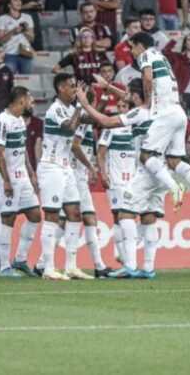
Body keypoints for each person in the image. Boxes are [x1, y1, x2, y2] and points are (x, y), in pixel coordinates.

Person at [76, 79, 164, 279]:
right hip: (160, 169)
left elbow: (107, 122)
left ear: (135, 96)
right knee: (149, 217)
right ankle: (148, 268)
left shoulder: (139, 113)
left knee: (124, 215)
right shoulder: (160, 109)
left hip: (142, 171)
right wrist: (107, 87)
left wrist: (86, 104)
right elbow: (128, 97)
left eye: (130, 94)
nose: (126, 96)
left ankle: (129, 264)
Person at [129, 32, 190, 215]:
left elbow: (148, 77)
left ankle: (175, 189)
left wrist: (147, 103)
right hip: (178, 112)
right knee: (174, 160)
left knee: (145, 155)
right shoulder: (161, 57)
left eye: (132, 47)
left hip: (164, 113)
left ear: (140, 45)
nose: (132, 52)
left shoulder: (146, 55)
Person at [36, 73, 92, 280]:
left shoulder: (70, 108)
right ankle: (48, 268)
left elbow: (91, 118)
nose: (73, 90)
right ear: (60, 88)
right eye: (71, 87)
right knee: (51, 216)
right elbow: (69, 126)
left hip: (66, 168)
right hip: (51, 167)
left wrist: (91, 101)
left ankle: (71, 267)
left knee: (75, 213)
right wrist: (80, 104)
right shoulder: (55, 109)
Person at [0, 86, 42, 277]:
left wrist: (31, 173)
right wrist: (6, 181)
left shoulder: (20, 120)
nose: (32, 103)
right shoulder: (1, 122)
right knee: (9, 219)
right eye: (30, 100)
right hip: (7, 179)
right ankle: (4, 266)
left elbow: (23, 150)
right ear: (21, 101)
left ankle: (20, 259)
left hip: (22, 177)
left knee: (35, 215)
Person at [70, 114, 111, 277]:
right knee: (82, 219)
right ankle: (97, 266)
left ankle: (99, 266)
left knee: (86, 219)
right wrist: (91, 167)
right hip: (75, 177)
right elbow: (75, 145)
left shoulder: (85, 122)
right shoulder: (82, 122)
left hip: (77, 177)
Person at [96, 98, 136, 261]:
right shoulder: (110, 128)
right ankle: (123, 256)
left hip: (133, 180)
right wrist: (103, 174)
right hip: (116, 179)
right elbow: (100, 153)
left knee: (130, 217)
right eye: (118, 106)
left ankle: (124, 254)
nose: (120, 109)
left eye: (124, 106)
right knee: (118, 215)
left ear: (130, 109)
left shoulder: (136, 127)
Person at [0, 0, 35, 74]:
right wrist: (13, 32)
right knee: (9, 81)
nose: (19, 2)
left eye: (20, 0)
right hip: (9, 54)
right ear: (9, 4)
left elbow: (32, 39)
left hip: (25, 53)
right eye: (15, 0)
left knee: (27, 81)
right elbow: (1, 40)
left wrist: (25, 31)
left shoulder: (28, 17)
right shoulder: (2, 19)